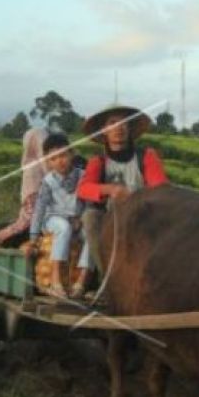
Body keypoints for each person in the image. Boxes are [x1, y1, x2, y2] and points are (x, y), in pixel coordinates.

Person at [76, 104, 170, 278]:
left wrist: (137, 198)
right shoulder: (99, 162)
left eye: (124, 123)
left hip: (142, 215)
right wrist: (110, 189)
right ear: (104, 130)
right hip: (109, 218)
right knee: (89, 218)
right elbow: (83, 189)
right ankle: (107, 276)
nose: (119, 127)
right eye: (112, 123)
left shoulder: (146, 156)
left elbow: (161, 188)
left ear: (129, 128)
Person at [23, 133, 91, 298]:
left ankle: (81, 282)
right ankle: (55, 282)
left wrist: (81, 218)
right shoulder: (48, 181)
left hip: (76, 219)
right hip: (53, 219)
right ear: (48, 161)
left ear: (71, 154)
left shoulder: (83, 176)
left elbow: (88, 203)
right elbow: (40, 209)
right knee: (63, 227)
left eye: (63, 155)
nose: (59, 161)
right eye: (53, 158)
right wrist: (33, 237)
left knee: (92, 234)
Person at [0, 127, 48, 247]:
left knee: (0, 231)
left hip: (40, 227)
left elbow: (32, 212)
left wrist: (14, 229)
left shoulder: (32, 169)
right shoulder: (53, 164)